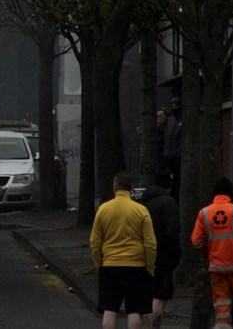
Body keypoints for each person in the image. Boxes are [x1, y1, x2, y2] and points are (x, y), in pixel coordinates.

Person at [90, 171, 156, 329]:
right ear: (131, 188)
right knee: (134, 310)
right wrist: (149, 266)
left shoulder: (103, 209)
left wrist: (99, 264)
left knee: (110, 309)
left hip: (110, 264)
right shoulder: (141, 211)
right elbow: (150, 243)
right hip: (136, 266)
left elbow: (95, 241)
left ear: (115, 187)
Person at [191, 177, 233, 328]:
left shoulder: (204, 213)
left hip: (217, 267)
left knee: (222, 308)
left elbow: (196, 241)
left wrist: (208, 252)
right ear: (230, 193)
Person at [141, 167, 180, 328]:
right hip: (163, 256)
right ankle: (153, 324)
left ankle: (148, 322)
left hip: (145, 255)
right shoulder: (168, 203)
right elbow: (172, 230)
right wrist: (176, 253)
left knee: (149, 294)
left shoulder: (145, 202)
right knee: (161, 295)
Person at [162, 100, 182, 200]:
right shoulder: (170, 120)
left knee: (177, 181)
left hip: (177, 157)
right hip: (168, 156)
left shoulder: (180, 120)